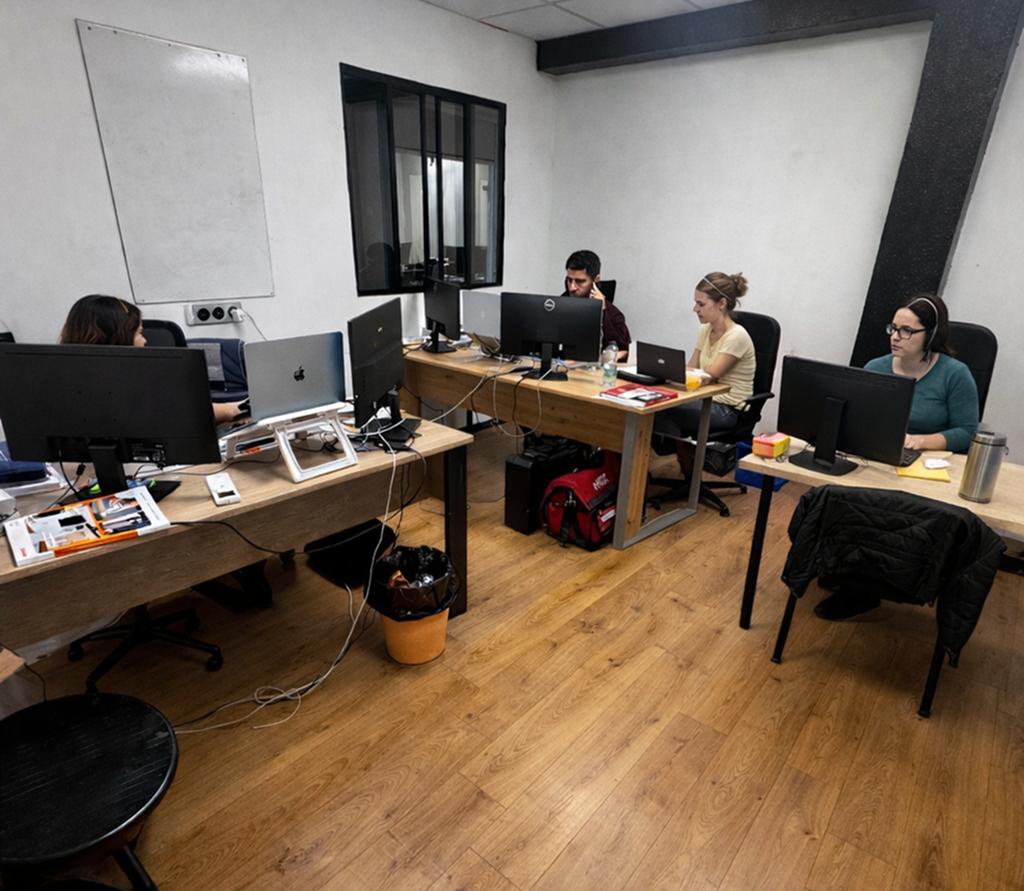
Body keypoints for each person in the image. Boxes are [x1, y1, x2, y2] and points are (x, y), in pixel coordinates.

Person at [814, 292, 980, 622]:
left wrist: (920, 440)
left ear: (931, 335)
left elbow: (967, 432)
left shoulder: (955, 374)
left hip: (927, 466)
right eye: (893, 328)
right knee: (833, 496)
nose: (895, 336)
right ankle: (840, 565)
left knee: (888, 510)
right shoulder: (875, 367)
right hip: (878, 460)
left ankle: (865, 588)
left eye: (907, 331)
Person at [60, 295, 243, 424]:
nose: (145, 341)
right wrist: (231, 409)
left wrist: (235, 409)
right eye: (140, 333)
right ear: (120, 338)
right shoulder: (129, 388)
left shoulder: (67, 383)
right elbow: (177, 413)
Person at [652, 272, 755, 476]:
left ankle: (688, 475)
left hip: (730, 409)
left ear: (722, 303)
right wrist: (665, 373)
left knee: (664, 412)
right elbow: (692, 367)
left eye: (701, 304)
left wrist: (679, 378)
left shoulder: (737, 336)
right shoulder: (706, 330)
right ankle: (682, 462)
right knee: (655, 405)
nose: (695, 309)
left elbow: (709, 376)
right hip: (707, 400)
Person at [563, 250, 630, 361]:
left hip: (593, 369)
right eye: (569, 280)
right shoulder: (560, 305)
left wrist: (602, 311)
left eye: (580, 281)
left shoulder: (613, 314)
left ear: (596, 279)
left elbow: (622, 351)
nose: (572, 287)